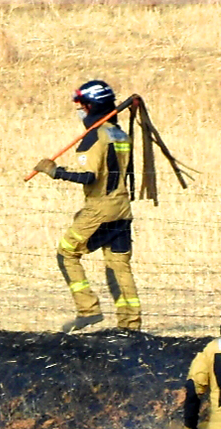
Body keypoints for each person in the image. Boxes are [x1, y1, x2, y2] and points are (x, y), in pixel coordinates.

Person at [33, 80, 141, 333]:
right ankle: (130, 326)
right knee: (118, 265)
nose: (79, 109)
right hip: (122, 208)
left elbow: (89, 176)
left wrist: (55, 172)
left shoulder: (95, 135)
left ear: (91, 105)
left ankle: (88, 310)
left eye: (81, 105)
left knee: (66, 253)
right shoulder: (119, 132)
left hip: (100, 208)